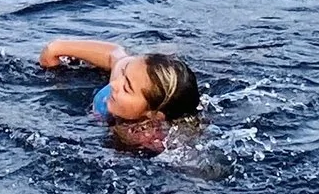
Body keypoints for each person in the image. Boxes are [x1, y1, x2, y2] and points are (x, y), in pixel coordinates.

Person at [37, 37, 201, 128]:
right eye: (123, 73)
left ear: (154, 116)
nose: (115, 84)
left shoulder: (164, 145)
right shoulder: (122, 83)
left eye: (127, 87)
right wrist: (56, 48)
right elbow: (115, 54)